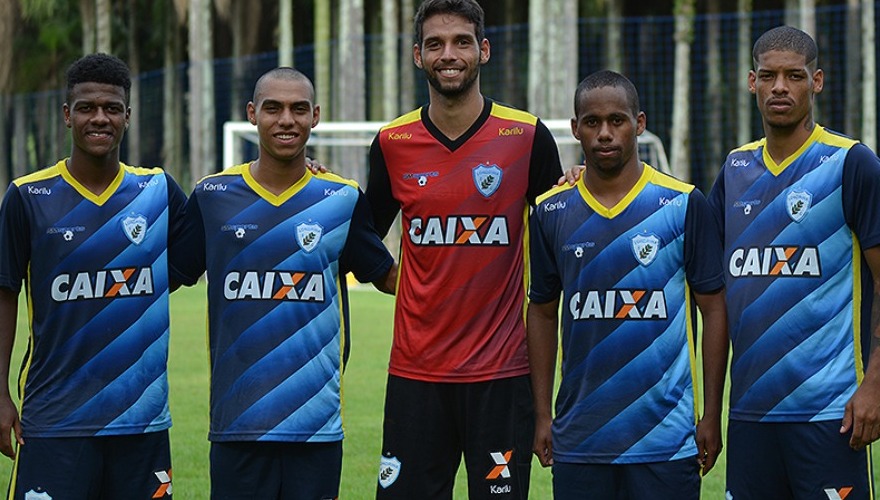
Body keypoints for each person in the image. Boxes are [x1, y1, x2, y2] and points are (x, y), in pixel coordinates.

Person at [169, 67, 397, 500]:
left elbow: (388, 277)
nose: (286, 120)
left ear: (316, 116)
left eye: (298, 109)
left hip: (316, 426)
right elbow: (163, 275)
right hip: (237, 423)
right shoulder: (213, 197)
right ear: (253, 114)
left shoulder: (341, 198)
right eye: (273, 108)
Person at [366, 0, 563, 498]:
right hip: (416, 376)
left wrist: (579, 185)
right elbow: (361, 233)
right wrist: (395, 278)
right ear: (417, 55)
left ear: (484, 50)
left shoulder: (527, 137)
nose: (448, 54)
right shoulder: (393, 142)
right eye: (435, 44)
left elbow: (559, 230)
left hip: (501, 376)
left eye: (461, 42)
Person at [527, 70, 728, 499]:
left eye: (617, 121)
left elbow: (713, 309)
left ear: (639, 123)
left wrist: (711, 413)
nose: (605, 134)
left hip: (666, 440)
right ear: (575, 128)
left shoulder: (682, 204)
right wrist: (542, 415)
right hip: (581, 437)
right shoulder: (550, 210)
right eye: (593, 122)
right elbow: (542, 312)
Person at [0, 53, 184, 499]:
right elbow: (4, 292)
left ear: (127, 115)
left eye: (112, 108)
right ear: (67, 115)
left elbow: (207, 246)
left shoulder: (157, 190)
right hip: (54, 419)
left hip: (141, 421)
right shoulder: (28, 196)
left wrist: (302, 166)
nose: (99, 118)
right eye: (86, 107)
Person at [708, 26, 880, 499]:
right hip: (750, 415)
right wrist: (585, 183)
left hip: (830, 413)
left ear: (817, 81)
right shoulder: (735, 169)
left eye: (794, 76)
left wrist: (875, 385)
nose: (780, 87)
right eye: (768, 75)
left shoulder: (851, 164)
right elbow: (694, 265)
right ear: (751, 82)